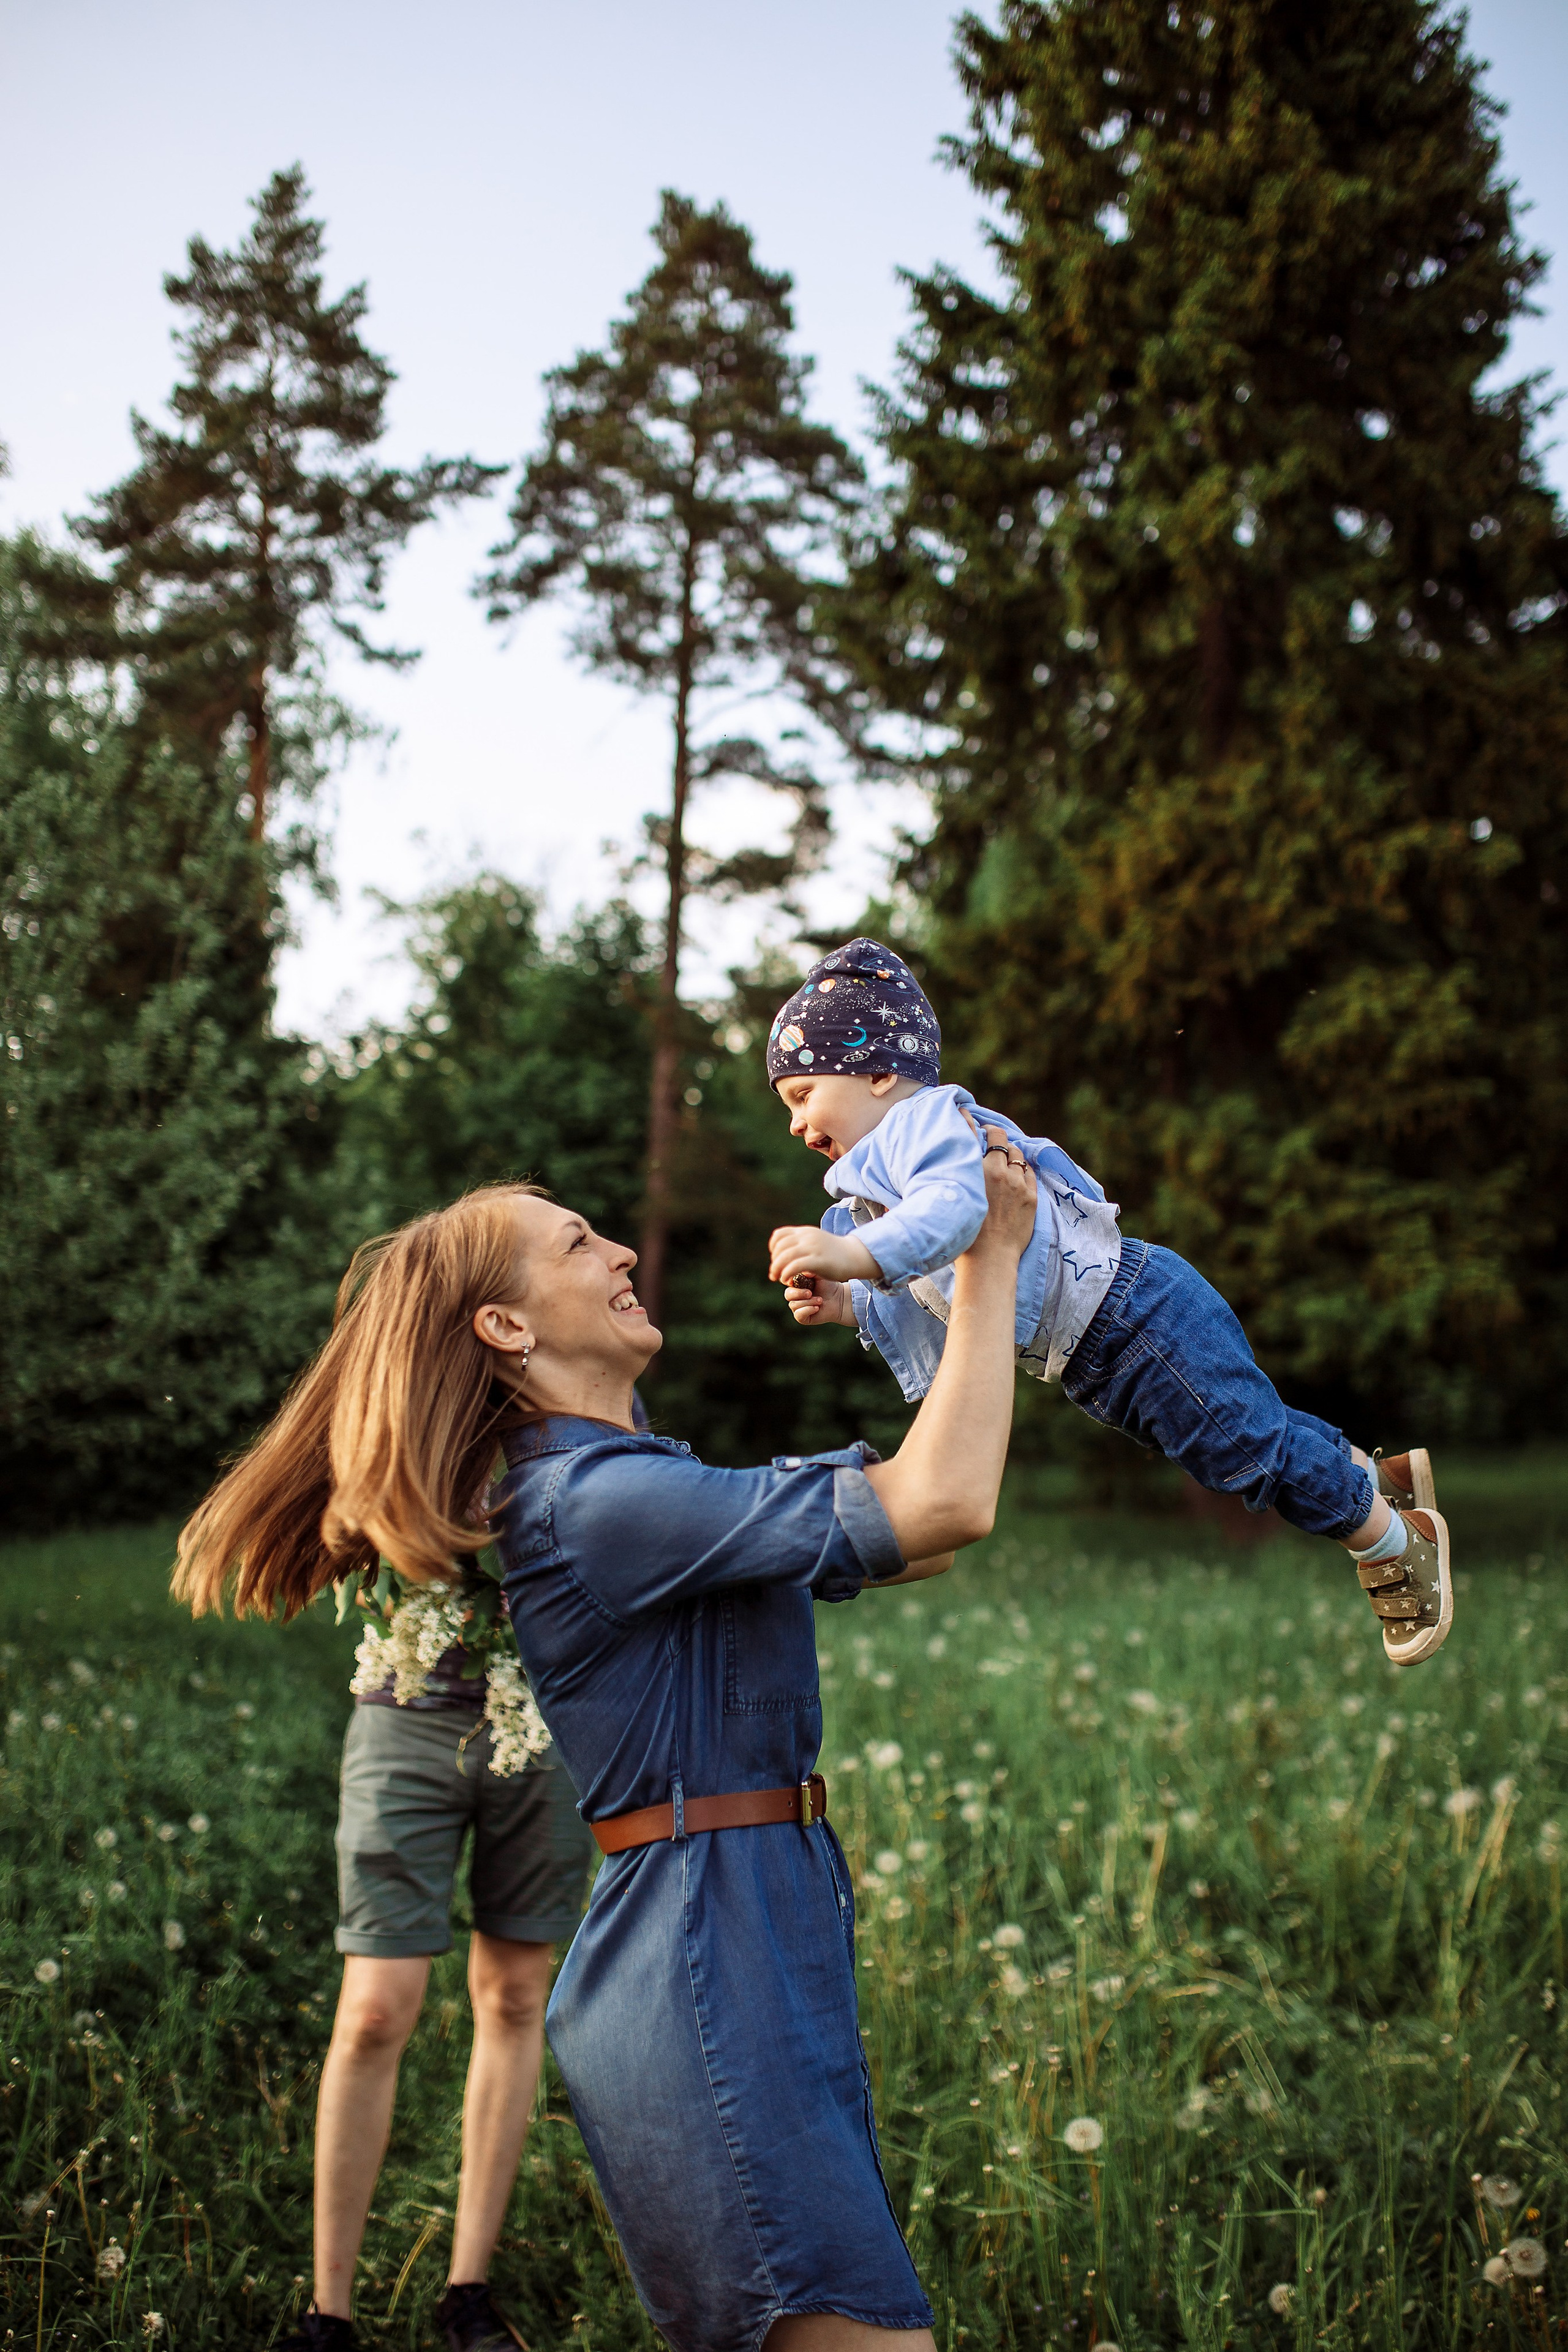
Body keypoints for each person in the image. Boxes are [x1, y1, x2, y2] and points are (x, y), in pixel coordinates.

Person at [176, 1149, 1039, 2352]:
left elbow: (920, 1525)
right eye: (578, 1243)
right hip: (705, 1957)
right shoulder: (592, 1507)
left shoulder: (639, 1484)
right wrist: (990, 1261)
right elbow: (948, 1505)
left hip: (750, 1930)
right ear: (505, 1325)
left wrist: (935, 1297)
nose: (622, 1251)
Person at [764, 937, 1452, 1667]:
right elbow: (937, 1285)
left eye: (803, 1094)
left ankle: (1395, 1543)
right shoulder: (885, 1182)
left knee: (1244, 1451)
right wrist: (849, 1300)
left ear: (876, 1070)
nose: (797, 1124)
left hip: (1132, 1314)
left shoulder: (925, 1127)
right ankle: (1381, 1480)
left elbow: (957, 1209)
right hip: (1095, 1353)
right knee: (1240, 1437)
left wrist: (855, 1253)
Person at [173, 1196, 593, 2352]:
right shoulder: (405, 1409)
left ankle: (469, 2291)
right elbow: (358, 1506)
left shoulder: (589, 1392)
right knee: (375, 2010)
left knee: (513, 1994)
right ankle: (330, 2311)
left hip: (534, 1732)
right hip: (408, 1724)